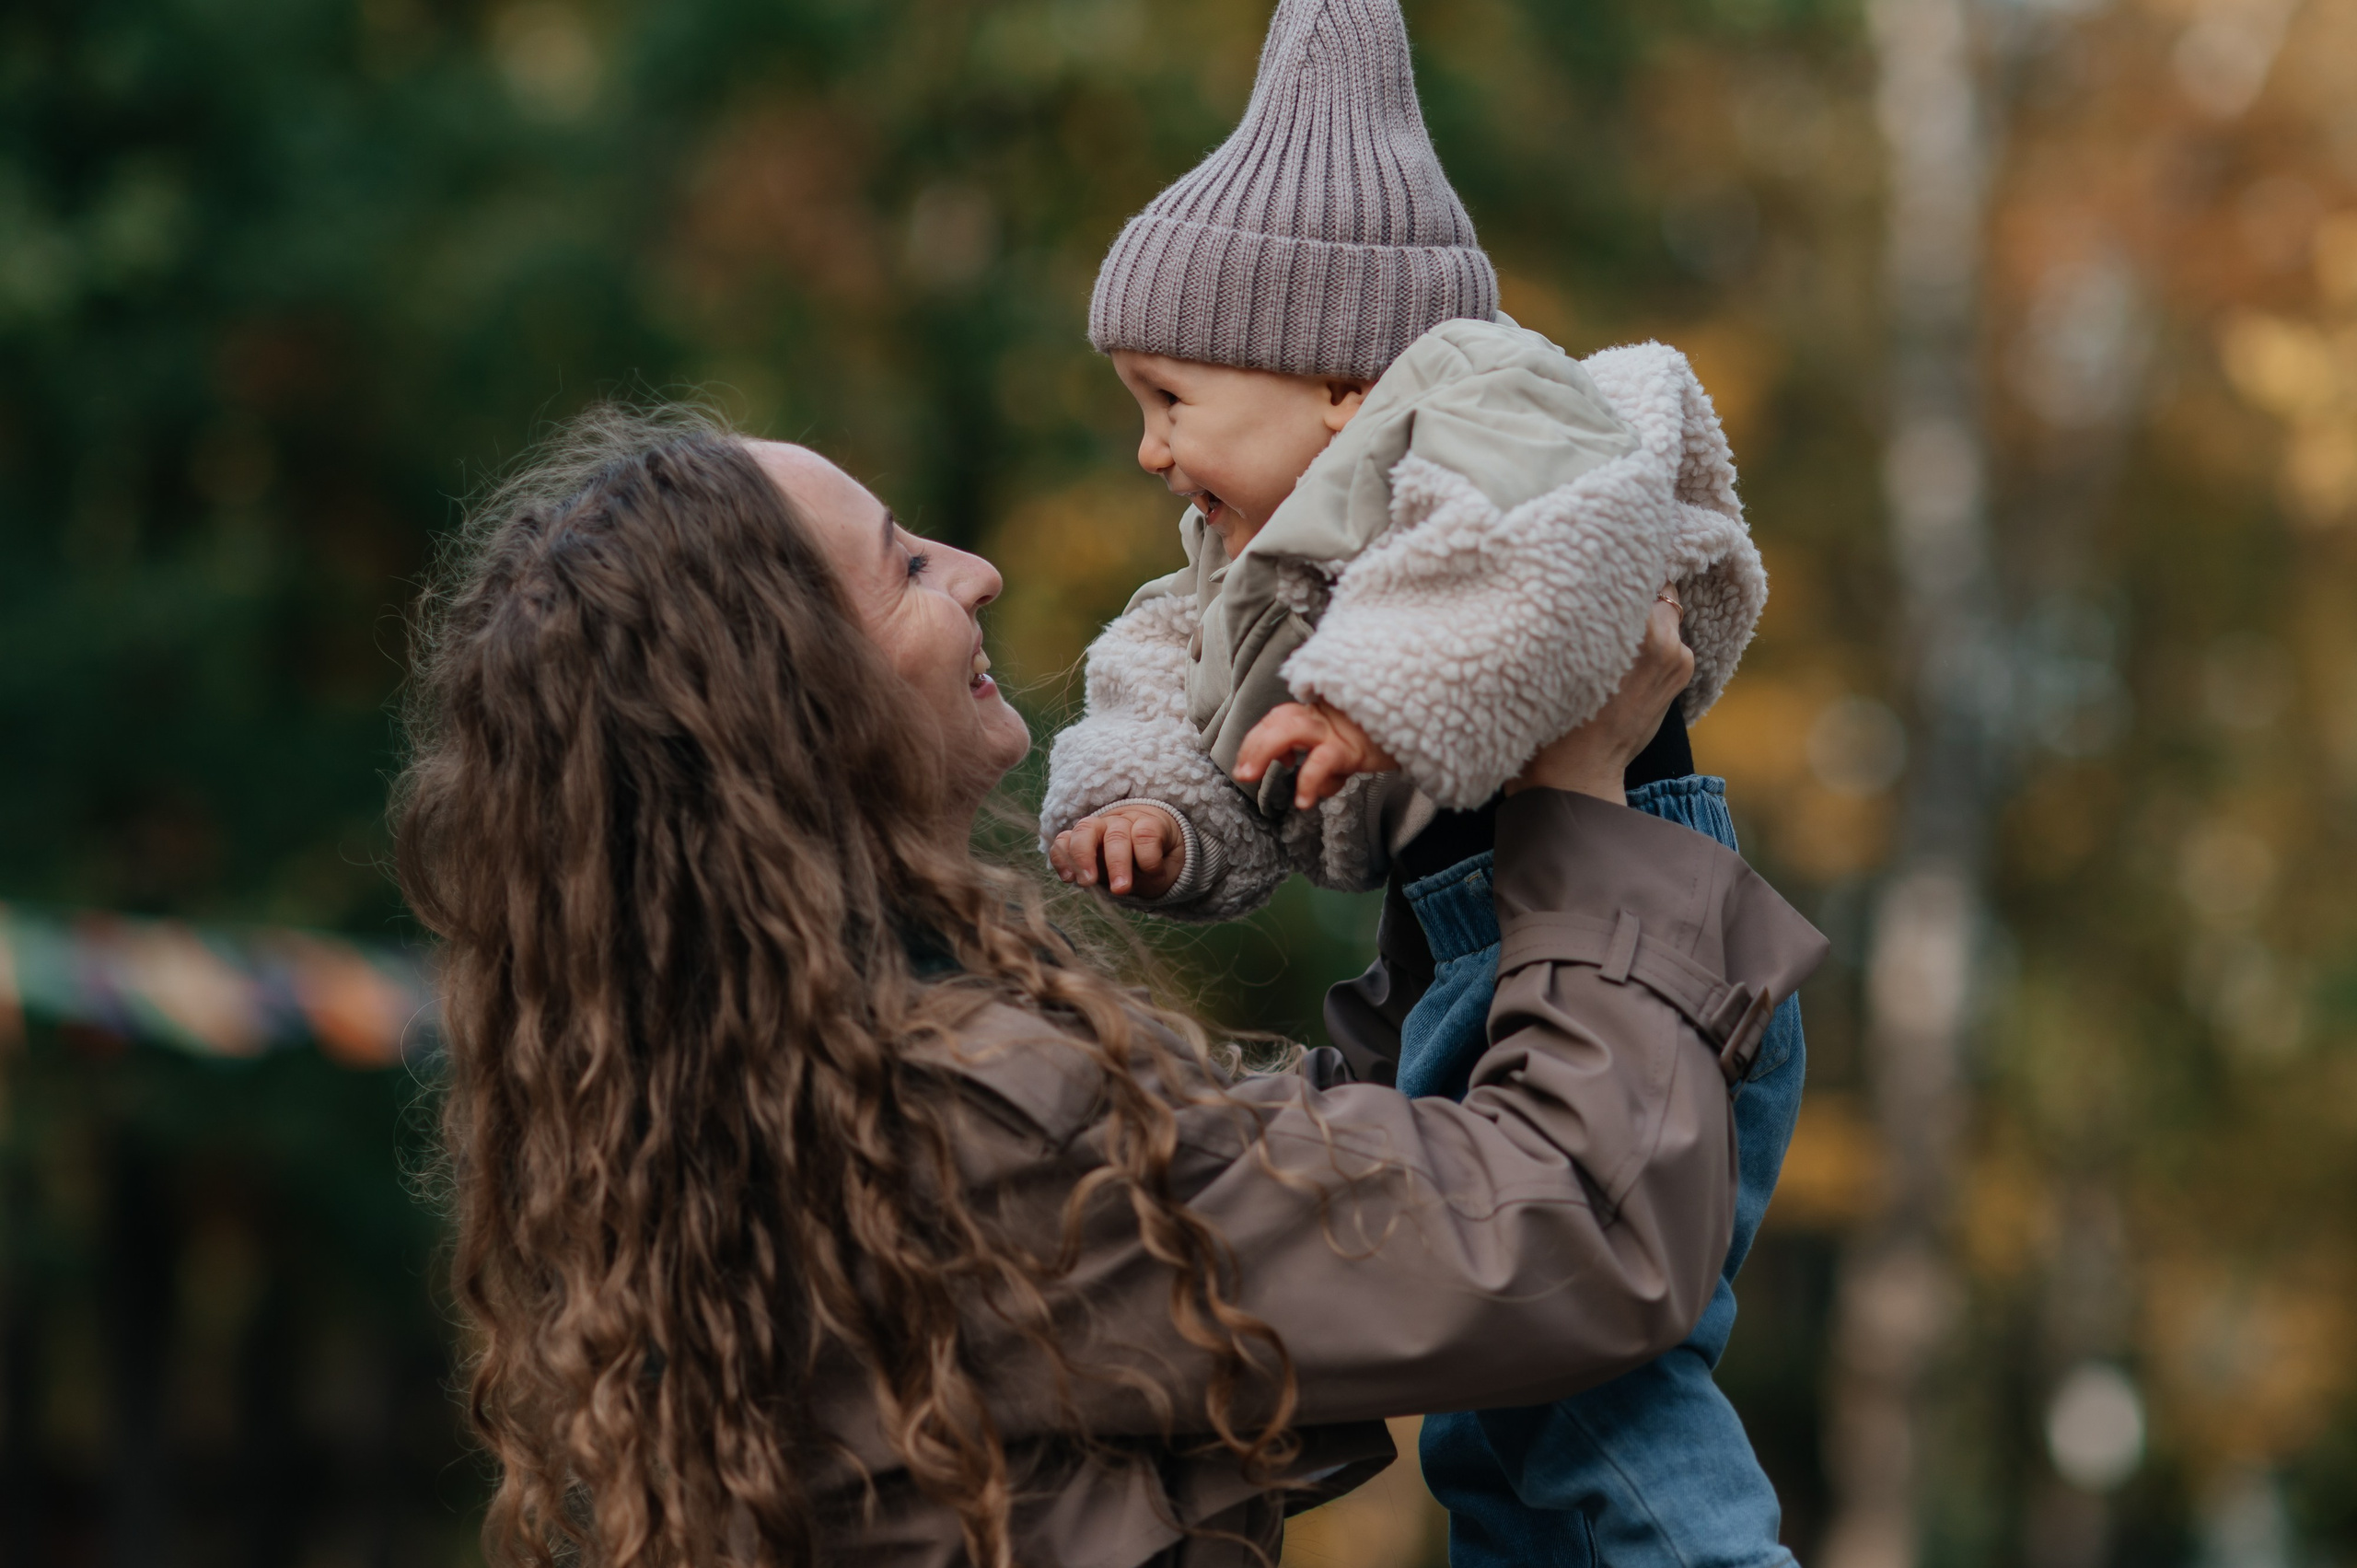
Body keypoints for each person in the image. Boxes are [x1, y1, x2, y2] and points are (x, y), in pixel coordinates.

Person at [395, 406, 1826, 1568]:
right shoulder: (961, 1118)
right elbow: (1575, 1239)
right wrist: (1594, 803)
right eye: (903, 568)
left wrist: (1455, 813)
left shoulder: (783, 1100)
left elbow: (1330, 1201)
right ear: (793, 709)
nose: (974, 570)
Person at [1039, 1, 1808, 1563]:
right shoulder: (1266, 550)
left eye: (1170, 399)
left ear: (1335, 383)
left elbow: (1561, 555)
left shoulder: (1493, 414)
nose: (1149, 452)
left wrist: (1376, 699)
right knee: (1494, 1407)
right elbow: (1158, 660)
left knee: (1588, 1388)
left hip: (1612, 943)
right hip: (1482, 951)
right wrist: (1149, 804)